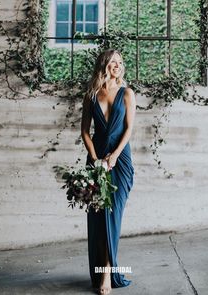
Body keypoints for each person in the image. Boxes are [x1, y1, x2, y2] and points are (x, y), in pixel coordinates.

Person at [81, 48, 136, 295]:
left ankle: (107, 276)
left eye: (120, 62)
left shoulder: (127, 93)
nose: (117, 65)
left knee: (111, 218)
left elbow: (128, 130)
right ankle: (105, 273)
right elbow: (85, 131)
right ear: (104, 64)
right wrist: (95, 160)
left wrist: (113, 157)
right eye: (113, 61)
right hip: (96, 161)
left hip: (120, 161)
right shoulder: (91, 95)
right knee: (97, 219)